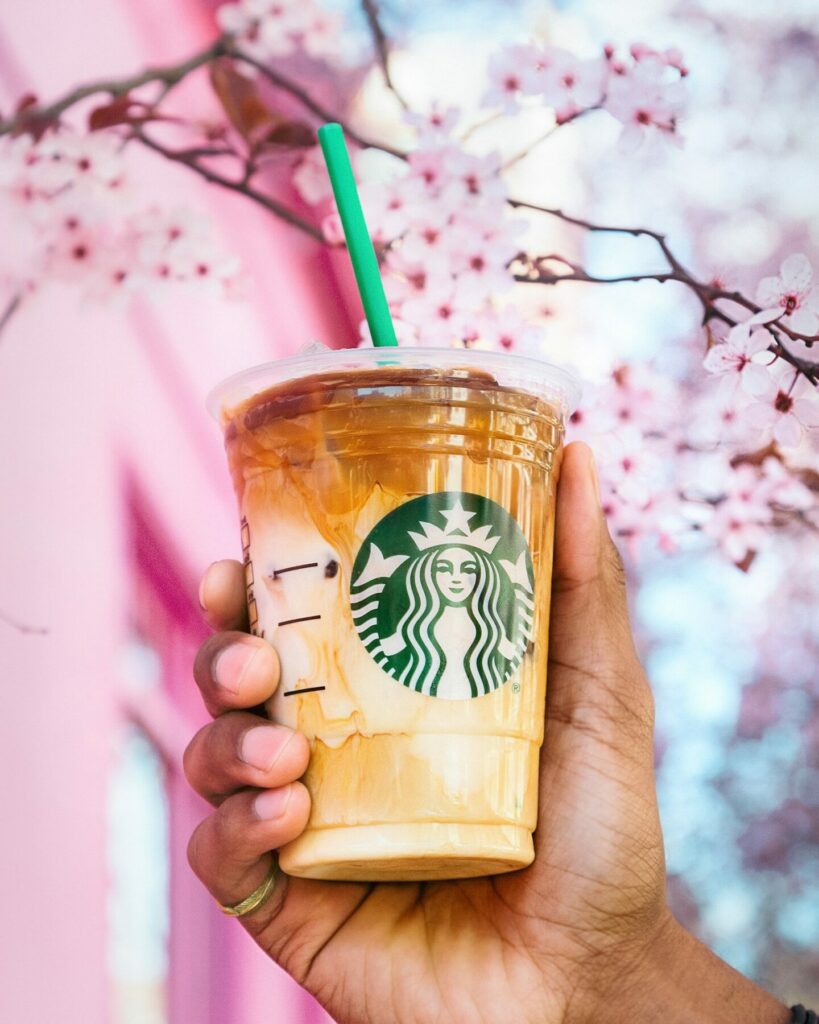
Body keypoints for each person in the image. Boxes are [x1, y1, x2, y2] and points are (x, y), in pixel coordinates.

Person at [184, 443, 796, 1023]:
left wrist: (605, 973)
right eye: (439, 564)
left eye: (465, 564)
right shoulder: (411, 637)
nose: (453, 576)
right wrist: (599, 977)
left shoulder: (481, 644)